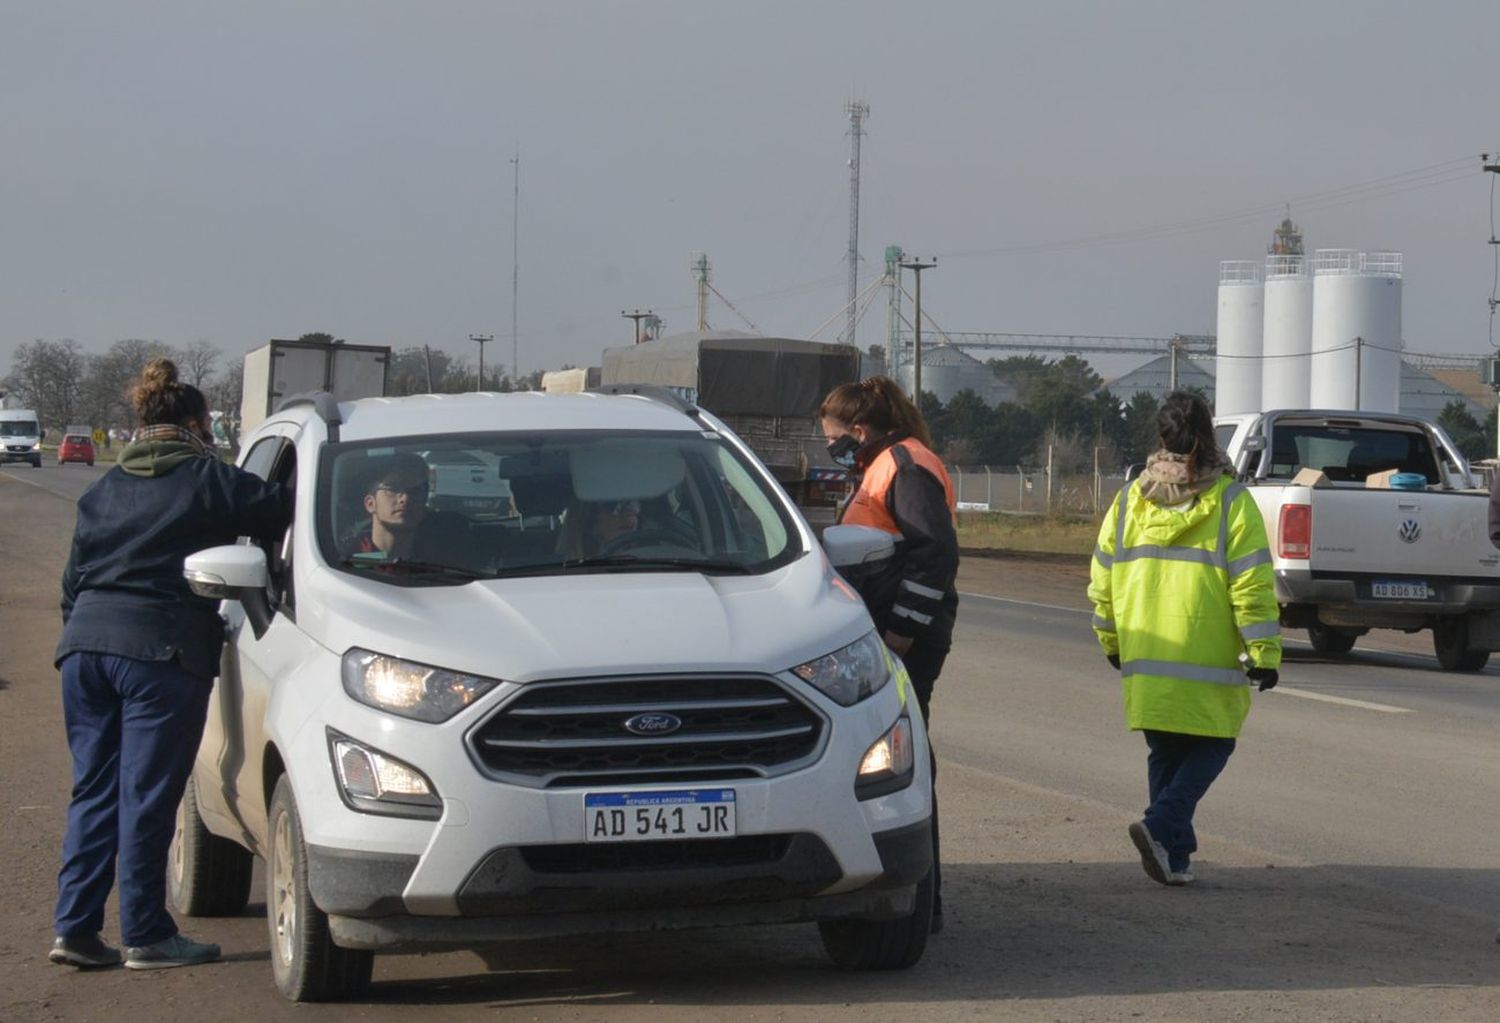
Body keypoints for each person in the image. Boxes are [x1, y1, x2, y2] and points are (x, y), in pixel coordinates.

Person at [51, 358, 292, 970]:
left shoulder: (101, 490)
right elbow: (281, 509)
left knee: (94, 790)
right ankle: (147, 935)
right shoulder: (207, 480)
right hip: (159, 653)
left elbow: (72, 582)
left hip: (84, 650)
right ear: (195, 424)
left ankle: (75, 931)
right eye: (208, 426)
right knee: (148, 795)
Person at [1088, 391, 1281, 887]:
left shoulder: (1131, 499)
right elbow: (1252, 585)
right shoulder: (1231, 503)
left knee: (1166, 753)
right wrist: (1263, 653)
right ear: (1209, 433)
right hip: (1208, 657)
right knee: (1214, 744)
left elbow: (1102, 578)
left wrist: (1110, 639)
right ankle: (1160, 826)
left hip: (1147, 652)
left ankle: (1174, 855)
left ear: (1160, 437)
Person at [819, 375, 958, 933]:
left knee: (905, 766)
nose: (831, 449)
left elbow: (935, 555)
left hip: (909, 638)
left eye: (834, 438)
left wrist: (901, 632)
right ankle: (917, 901)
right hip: (892, 632)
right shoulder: (883, 463)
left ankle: (923, 904)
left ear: (858, 429)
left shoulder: (904, 465)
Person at [556, 498, 641, 559]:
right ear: (590, 522)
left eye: (634, 505)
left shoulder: (650, 561)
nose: (630, 513)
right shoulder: (565, 573)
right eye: (614, 507)